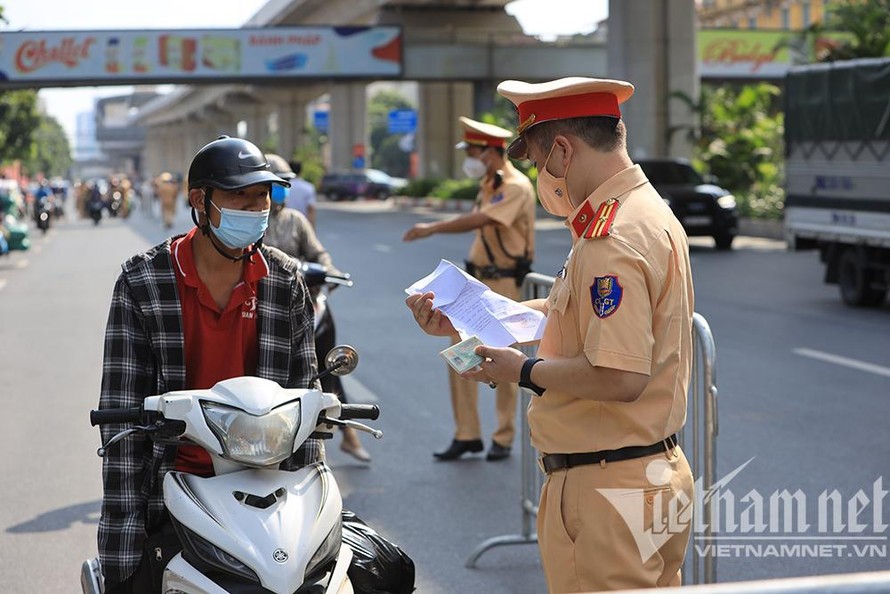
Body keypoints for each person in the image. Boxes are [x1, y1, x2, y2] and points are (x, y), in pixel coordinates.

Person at [406, 77, 696, 593]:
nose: (542, 176)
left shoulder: (613, 237)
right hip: (644, 477)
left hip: (607, 490)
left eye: (540, 162)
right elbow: (572, 315)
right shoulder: (639, 213)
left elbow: (620, 375)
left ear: (563, 149)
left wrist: (521, 371)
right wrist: (472, 319)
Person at [96, 136, 320, 593]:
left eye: (263, 195)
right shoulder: (143, 282)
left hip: (266, 482)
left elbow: (306, 401)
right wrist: (124, 537)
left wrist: (312, 502)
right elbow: (119, 421)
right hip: (173, 483)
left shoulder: (284, 280)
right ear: (200, 201)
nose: (256, 207)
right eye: (239, 195)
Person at [403, 116, 536, 462]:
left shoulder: (516, 186)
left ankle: (503, 435)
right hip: (475, 281)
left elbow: (483, 220)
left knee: (503, 357)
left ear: (490, 152)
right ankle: (467, 434)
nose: (470, 159)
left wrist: (432, 228)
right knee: (461, 357)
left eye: (473, 151)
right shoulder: (489, 185)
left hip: (503, 281)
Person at [264, 153, 371, 463]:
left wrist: (329, 270)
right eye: (274, 187)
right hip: (264, 308)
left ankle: (348, 435)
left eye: (284, 186)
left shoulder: (295, 220)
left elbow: (319, 254)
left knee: (330, 366)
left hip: (306, 303)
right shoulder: (251, 223)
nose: (278, 194)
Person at [283, 157, 317, 227]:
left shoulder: (284, 187)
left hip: (285, 225)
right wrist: (311, 229)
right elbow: (311, 210)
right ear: (301, 171)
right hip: (303, 225)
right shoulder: (309, 187)